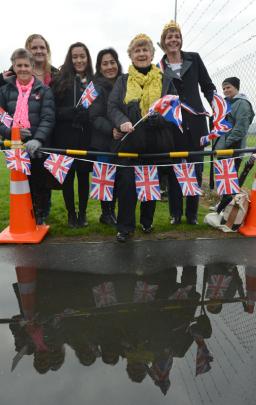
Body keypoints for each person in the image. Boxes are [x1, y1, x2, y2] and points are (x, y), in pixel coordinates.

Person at [108, 33, 175, 242]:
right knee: (126, 185)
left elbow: (173, 108)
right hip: (129, 143)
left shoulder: (165, 80)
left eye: (145, 50)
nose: (142, 53)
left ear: (152, 53)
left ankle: (147, 222)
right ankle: (124, 227)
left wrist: (160, 120)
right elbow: (112, 106)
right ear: (131, 55)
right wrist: (121, 122)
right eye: (137, 50)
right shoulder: (123, 80)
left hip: (156, 142)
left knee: (150, 184)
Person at [158, 20, 216, 225]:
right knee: (175, 169)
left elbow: (208, 86)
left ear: (181, 40)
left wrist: (217, 107)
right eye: (169, 36)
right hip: (174, 125)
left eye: (176, 36)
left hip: (196, 123)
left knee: (196, 169)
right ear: (163, 42)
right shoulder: (160, 67)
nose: (173, 39)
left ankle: (191, 215)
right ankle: (175, 214)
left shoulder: (195, 59)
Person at [0, 48, 55, 224]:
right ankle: (24, 212)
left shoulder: (44, 90)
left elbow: (48, 117)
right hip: (15, 146)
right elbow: (0, 117)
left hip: (37, 145)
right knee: (21, 182)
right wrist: (11, 133)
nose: (23, 68)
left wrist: (38, 139)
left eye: (26, 65)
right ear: (14, 67)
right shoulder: (5, 91)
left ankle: (41, 212)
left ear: (32, 66)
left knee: (40, 181)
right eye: (19, 65)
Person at [52, 42, 93, 227]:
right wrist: (70, 112)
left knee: (84, 177)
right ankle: (71, 214)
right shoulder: (59, 79)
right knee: (67, 178)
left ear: (87, 58)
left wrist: (88, 116)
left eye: (82, 56)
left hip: (85, 138)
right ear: (70, 58)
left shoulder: (94, 80)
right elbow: (52, 110)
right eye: (75, 56)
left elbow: (100, 109)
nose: (79, 60)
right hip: (64, 137)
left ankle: (83, 214)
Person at [89, 48, 123, 226]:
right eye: (105, 63)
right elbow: (94, 116)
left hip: (123, 141)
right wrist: (112, 130)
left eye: (112, 62)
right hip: (104, 140)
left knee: (118, 179)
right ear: (99, 67)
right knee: (106, 179)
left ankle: (113, 211)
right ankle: (106, 213)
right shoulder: (95, 86)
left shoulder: (125, 83)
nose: (110, 66)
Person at [214, 76, 255, 172]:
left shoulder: (242, 103)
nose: (225, 90)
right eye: (223, 89)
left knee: (230, 183)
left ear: (236, 88)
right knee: (223, 182)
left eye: (228, 87)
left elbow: (241, 128)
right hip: (222, 150)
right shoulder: (225, 104)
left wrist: (225, 144)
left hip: (233, 149)